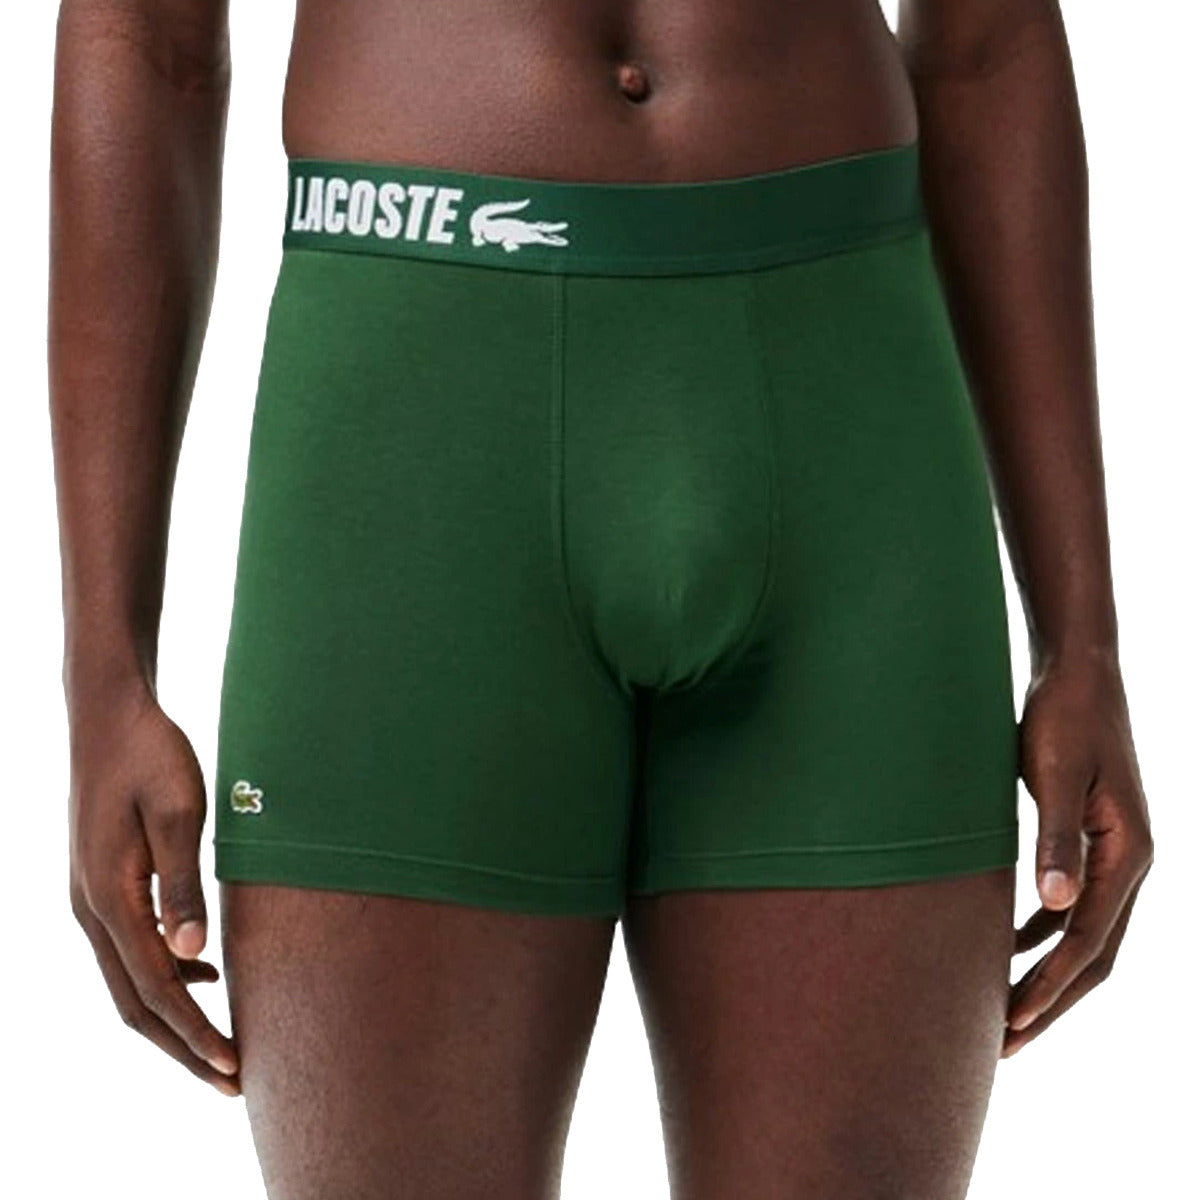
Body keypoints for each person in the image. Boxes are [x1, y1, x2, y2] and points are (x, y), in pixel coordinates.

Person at [49, 1, 1153, 1196]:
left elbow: (988, 48)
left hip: (848, 418)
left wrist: (1080, 642)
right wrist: (106, 677)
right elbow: (148, 42)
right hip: (417, 431)